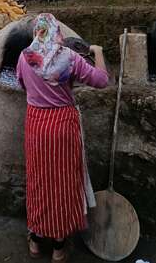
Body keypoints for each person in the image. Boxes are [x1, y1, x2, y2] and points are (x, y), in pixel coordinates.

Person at [16, 13, 108, 263]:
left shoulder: (24, 57)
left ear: (37, 31)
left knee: (39, 181)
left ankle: (35, 242)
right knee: (63, 183)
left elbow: (22, 84)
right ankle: (58, 247)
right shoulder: (69, 58)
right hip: (62, 127)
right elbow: (102, 81)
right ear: (56, 30)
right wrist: (98, 52)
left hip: (36, 125)